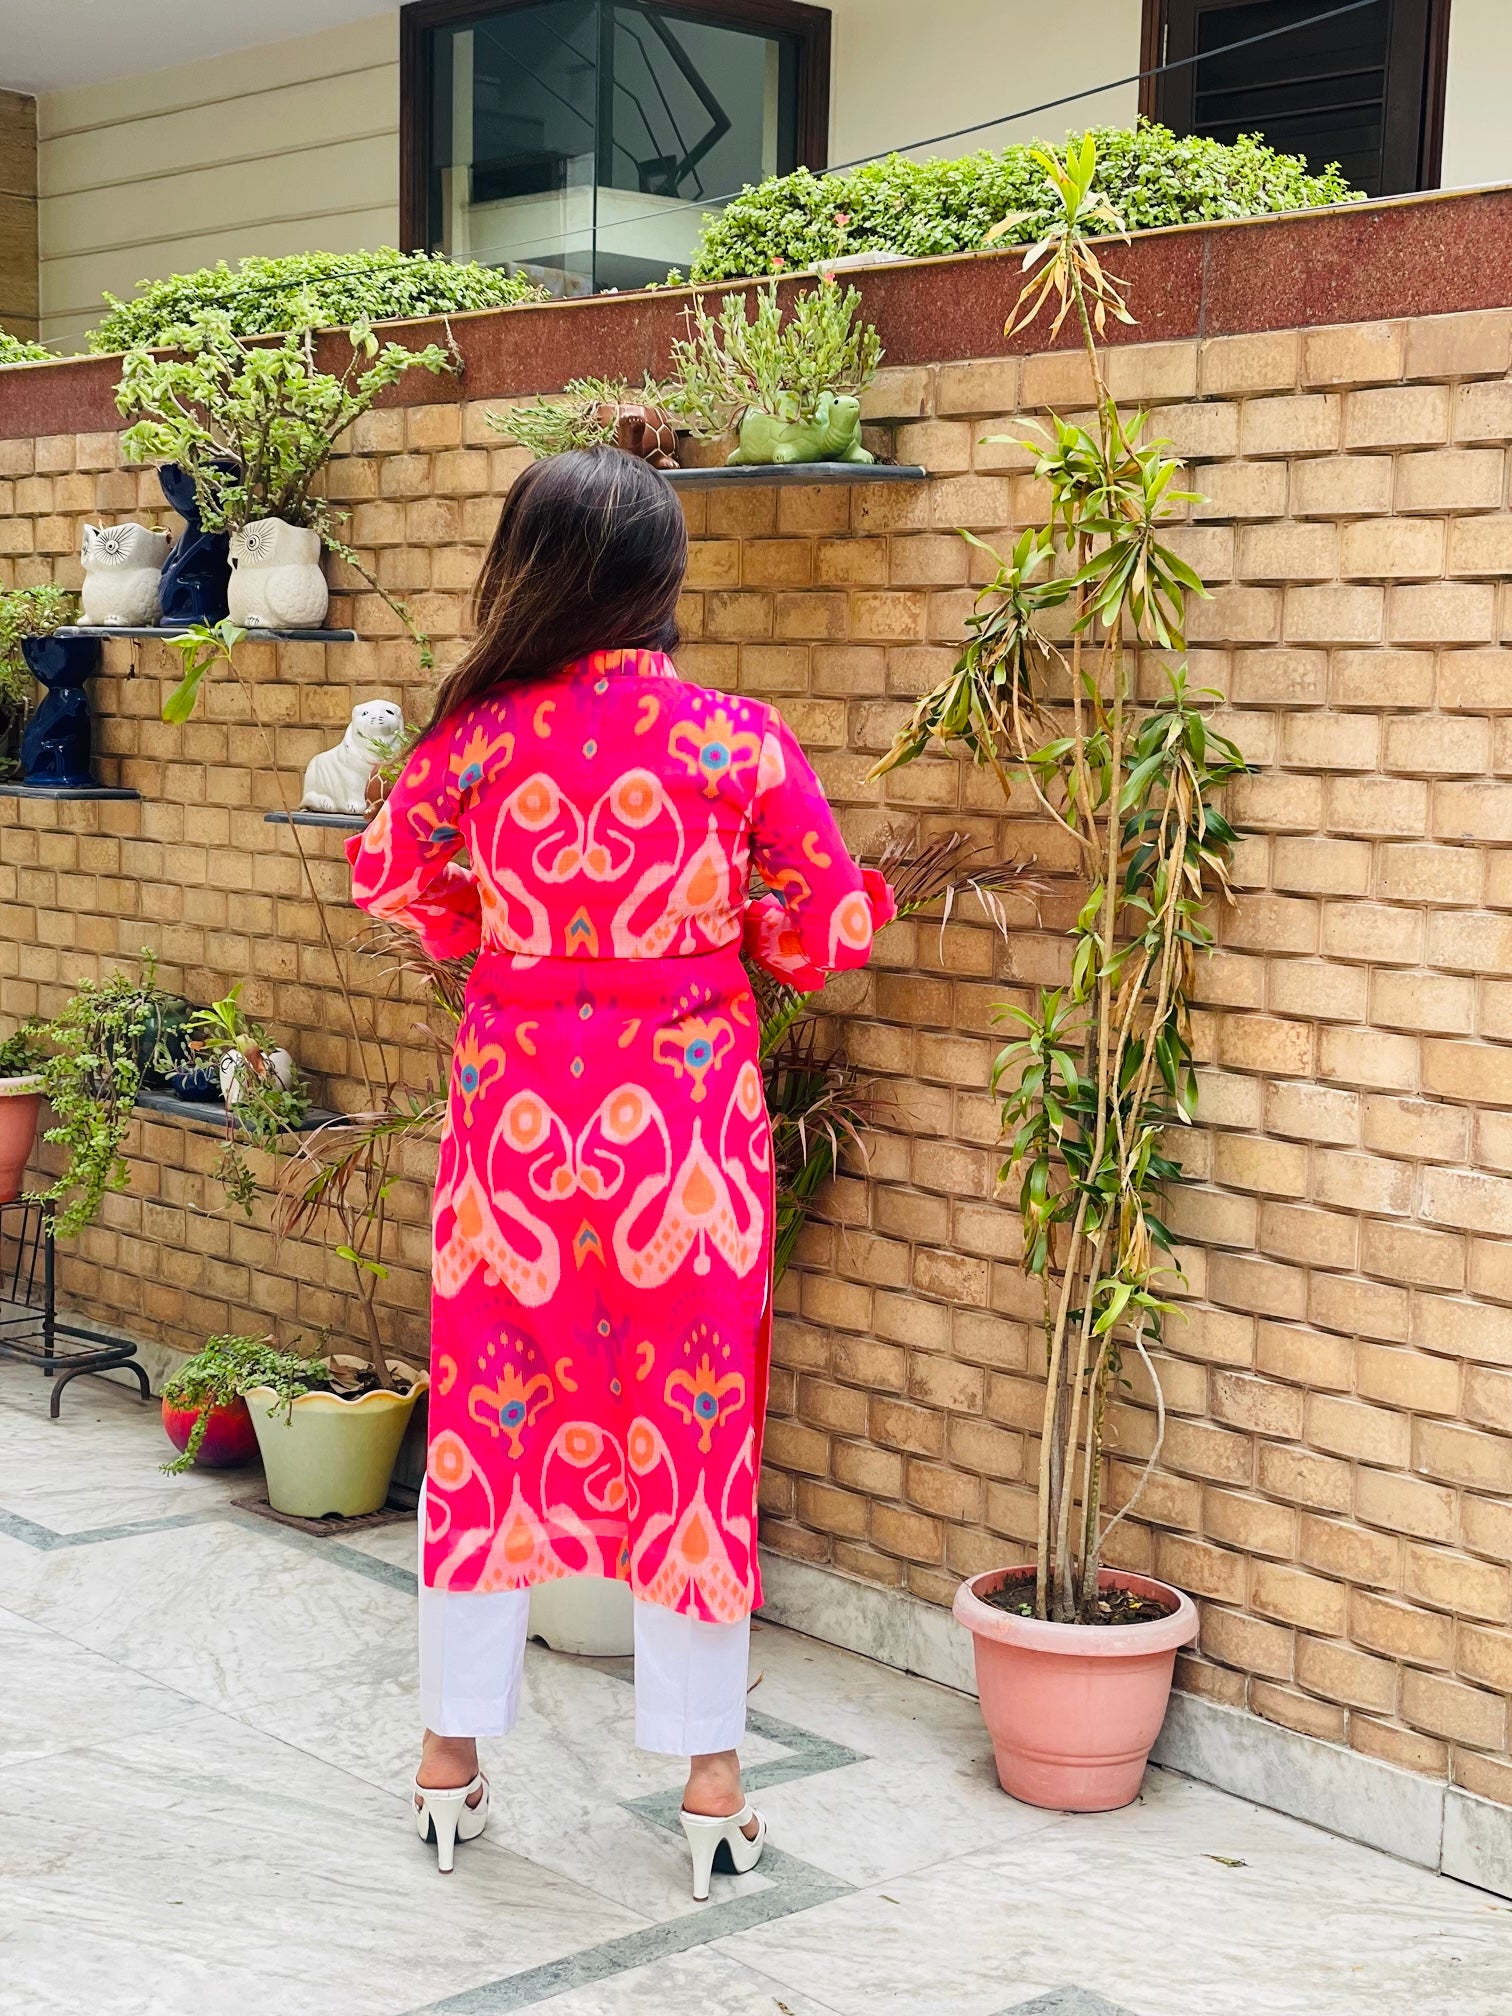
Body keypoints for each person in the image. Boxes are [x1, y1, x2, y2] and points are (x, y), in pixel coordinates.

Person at [347, 447, 893, 1897]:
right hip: (684, 1138)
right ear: (658, 577)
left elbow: (401, 885)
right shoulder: (735, 741)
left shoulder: (471, 741)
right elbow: (828, 925)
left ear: (532, 569)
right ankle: (712, 1786)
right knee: (694, 1429)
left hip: (515, 1131)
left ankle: (448, 1761)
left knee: (486, 1426)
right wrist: (729, 946)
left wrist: (504, 941)